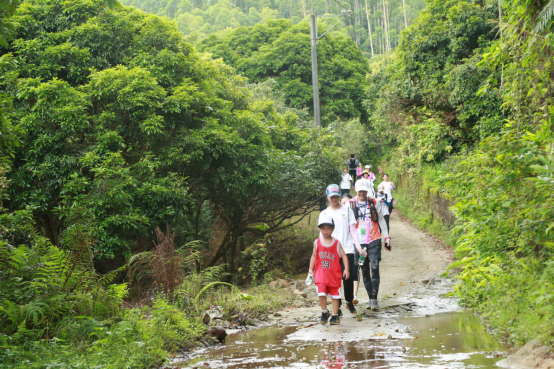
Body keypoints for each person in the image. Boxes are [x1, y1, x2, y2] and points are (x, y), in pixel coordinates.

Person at [319, 184, 366, 316]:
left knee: (348, 276)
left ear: (340, 196)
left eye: (336, 196)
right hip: (330, 250)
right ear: (328, 197)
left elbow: (353, 230)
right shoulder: (324, 213)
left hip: (347, 248)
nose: (334, 199)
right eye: (331, 197)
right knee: (335, 279)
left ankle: (349, 301)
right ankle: (337, 306)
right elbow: (321, 235)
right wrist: (319, 252)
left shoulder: (347, 210)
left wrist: (358, 247)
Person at [349, 180, 391, 310]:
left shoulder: (374, 202)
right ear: (356, 190)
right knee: (365, 271)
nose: (362, 193)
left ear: (367, 191)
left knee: (374, 267)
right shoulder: (350, 204)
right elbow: (348, 225)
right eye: (360, 191)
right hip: (358, 242)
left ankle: (374, 298)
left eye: (364, 191)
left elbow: (381, 220)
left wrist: (387, 236)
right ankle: (370, 298)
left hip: (374, 239)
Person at [308, 214, 350, 325]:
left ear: (333, 229)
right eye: (323, 228)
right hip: (321, 274)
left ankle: (335, 315)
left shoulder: (336, 243)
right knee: (321, 293)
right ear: (320, 229)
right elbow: (313, 256)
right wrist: (310, 269)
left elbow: (344, 256)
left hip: (334, 275)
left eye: (328, 228)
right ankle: (324, 312)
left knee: (335, 296)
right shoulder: (317, 242)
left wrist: (346, 269)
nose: (326, 231)